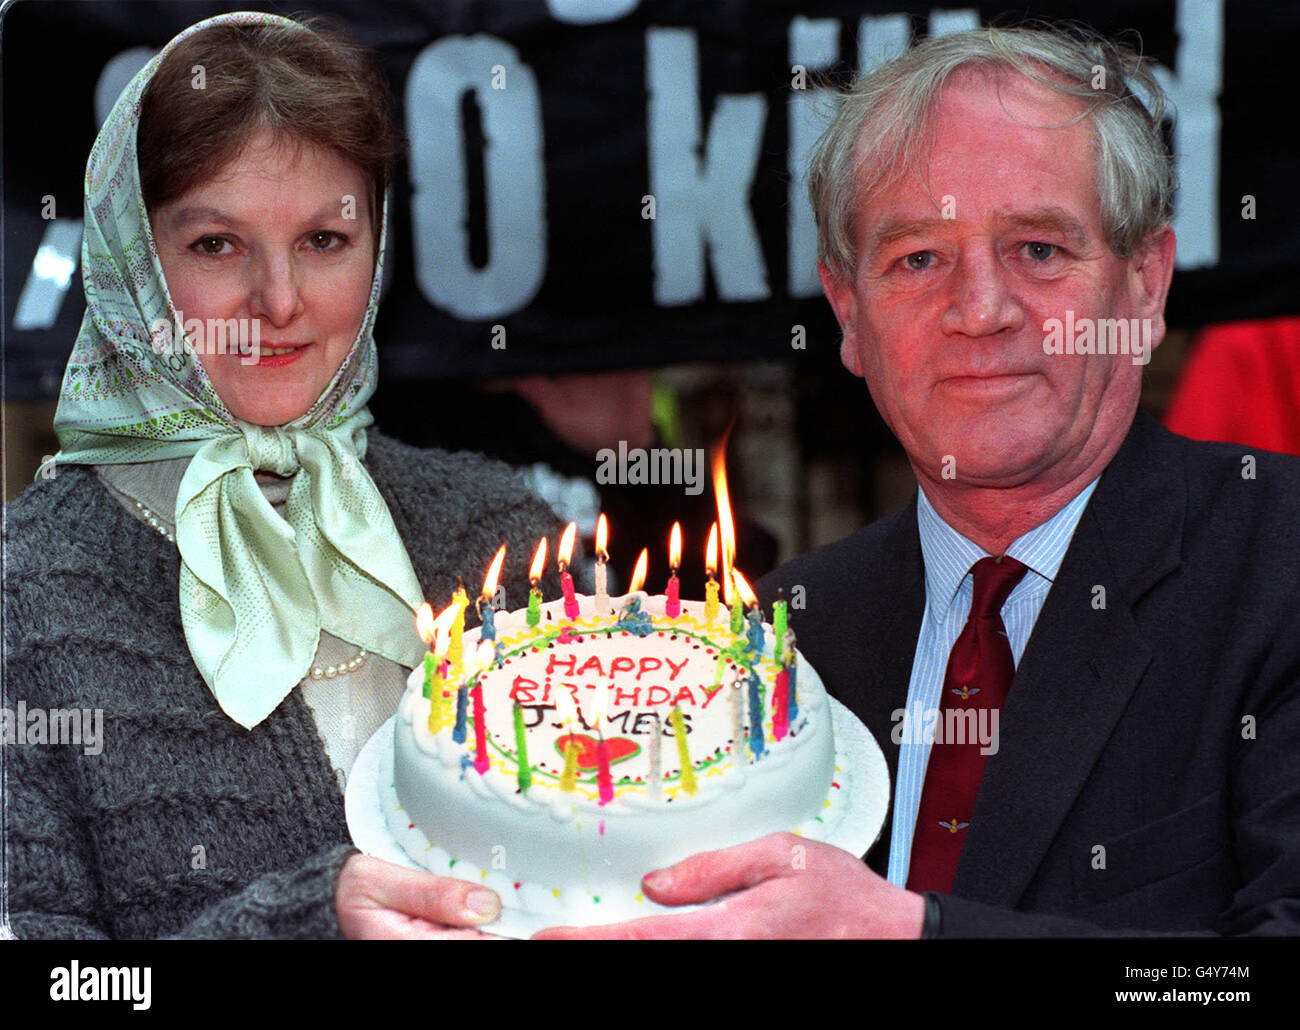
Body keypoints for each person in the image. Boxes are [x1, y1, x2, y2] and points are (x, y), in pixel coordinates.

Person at [536, 24, 1300, 938]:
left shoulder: (1279, 565)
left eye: (1039, 250)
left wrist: (911, 934)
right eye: (919, 260)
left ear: (1144, 286)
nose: (980, 311)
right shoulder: (777, 642)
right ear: (849, 314)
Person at [3, 11, 564, 939]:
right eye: (216, 244)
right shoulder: (24, 596)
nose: (281, 301)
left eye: (324, 240)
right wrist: (304, 927)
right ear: (127, 266)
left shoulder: (501, 532)